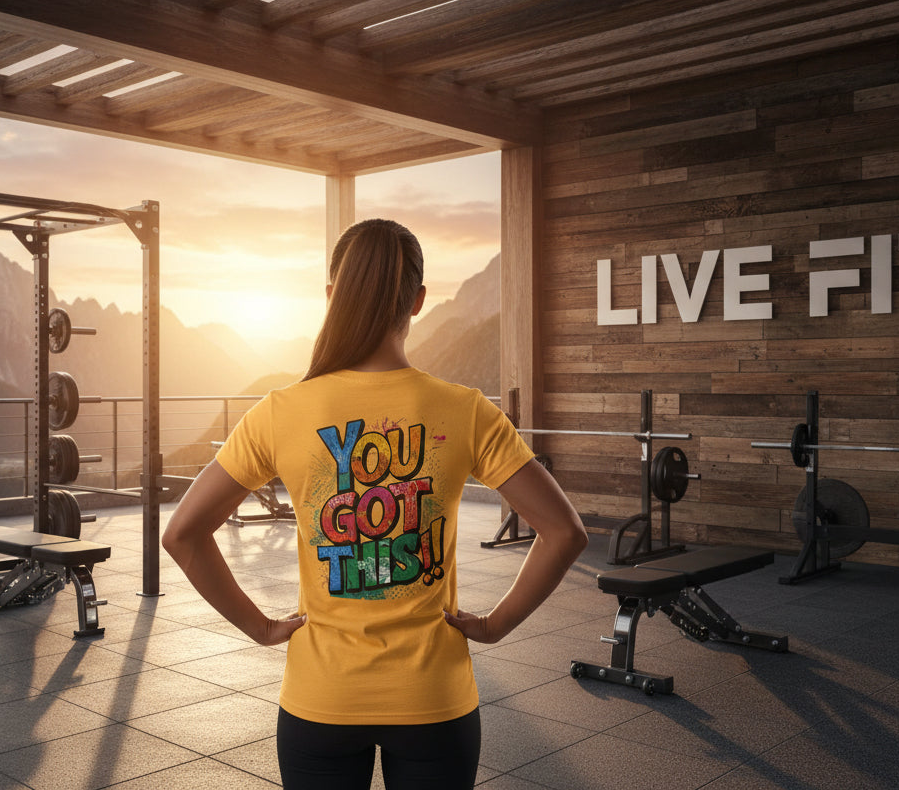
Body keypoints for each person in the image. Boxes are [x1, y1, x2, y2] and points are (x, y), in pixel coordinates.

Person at [163, 219, 587, 790]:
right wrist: (493, 626)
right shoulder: (465, 410)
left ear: (333, 294)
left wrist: (262, 628)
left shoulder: (281, 411)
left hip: (321, 698)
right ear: (417, 300)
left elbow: (183, 534)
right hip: (435, 699)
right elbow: (565, 532)